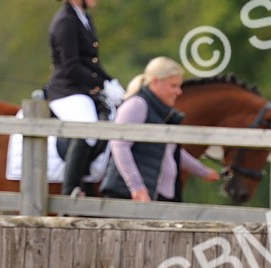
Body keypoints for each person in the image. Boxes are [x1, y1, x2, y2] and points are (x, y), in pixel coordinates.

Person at [100, 58, 220, 202]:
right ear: (156, 82)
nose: (179, 91)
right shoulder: (137, 104)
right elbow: (119, 145)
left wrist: (203, 172)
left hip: (157, 194)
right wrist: (136, 187)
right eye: (173, 86)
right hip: (135, 195)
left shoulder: (160, 110)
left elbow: (171, 149)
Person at [45, 0, 124, 197]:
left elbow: (90, 62)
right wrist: (100, 84)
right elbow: (71, 66)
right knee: (87, 128)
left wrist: (111, 81)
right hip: (67, 90)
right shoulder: (65, 21)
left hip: (84, 89)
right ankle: (70, 189)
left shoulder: (84, 17)